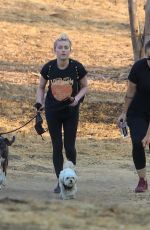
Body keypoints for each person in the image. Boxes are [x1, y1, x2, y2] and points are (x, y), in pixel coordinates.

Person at [35, 33, 88, 193]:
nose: (63, 50)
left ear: (70, 50)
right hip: (53, 111)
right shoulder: (49, 67)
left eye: (66, 48)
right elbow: (41, 87)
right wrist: (39, 103)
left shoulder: (77, 67)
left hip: (71, 110)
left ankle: (70, 177)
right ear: (55, 50)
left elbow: (85, 86)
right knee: (57, 146)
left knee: (69, 146)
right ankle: (60, 181)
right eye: (60, 48)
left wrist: (77, 99)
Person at [117, 40, 150, 193]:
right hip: (137, 112)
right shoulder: (138, 67)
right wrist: (124, 112)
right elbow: (130, 92)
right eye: (149, 58)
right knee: (138, 143)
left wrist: (149, 134)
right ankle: (142, 180)